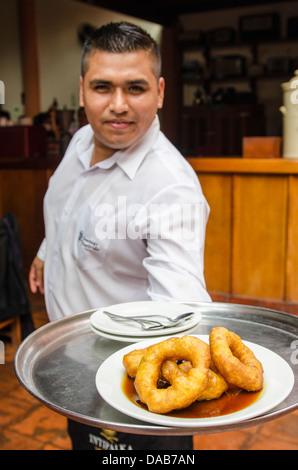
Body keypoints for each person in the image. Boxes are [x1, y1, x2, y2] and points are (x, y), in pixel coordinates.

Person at [29, 21, 211, 450]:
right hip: (73, 368)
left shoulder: (171, 188)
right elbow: (68, 208)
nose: (117, 106)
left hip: (125, 387)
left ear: (161, 91)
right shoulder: (79, 142)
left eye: (135, 88)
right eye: (102, 88)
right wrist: (44, 252)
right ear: (81, 91)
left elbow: (180, 314)